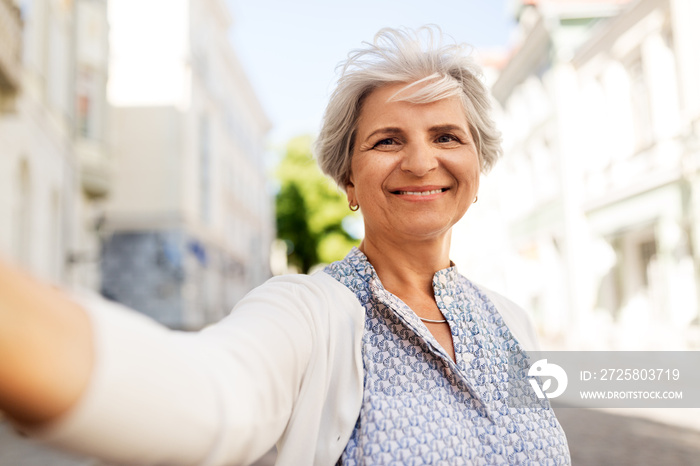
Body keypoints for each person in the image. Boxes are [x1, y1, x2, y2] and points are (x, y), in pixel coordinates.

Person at [0, 27, 570, 465]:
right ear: (348, 178)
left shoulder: (511, 322)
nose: (422, 161)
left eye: (447, 136)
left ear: (477, 163)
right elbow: (209, 396)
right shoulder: (309, 312)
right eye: (387, 140)